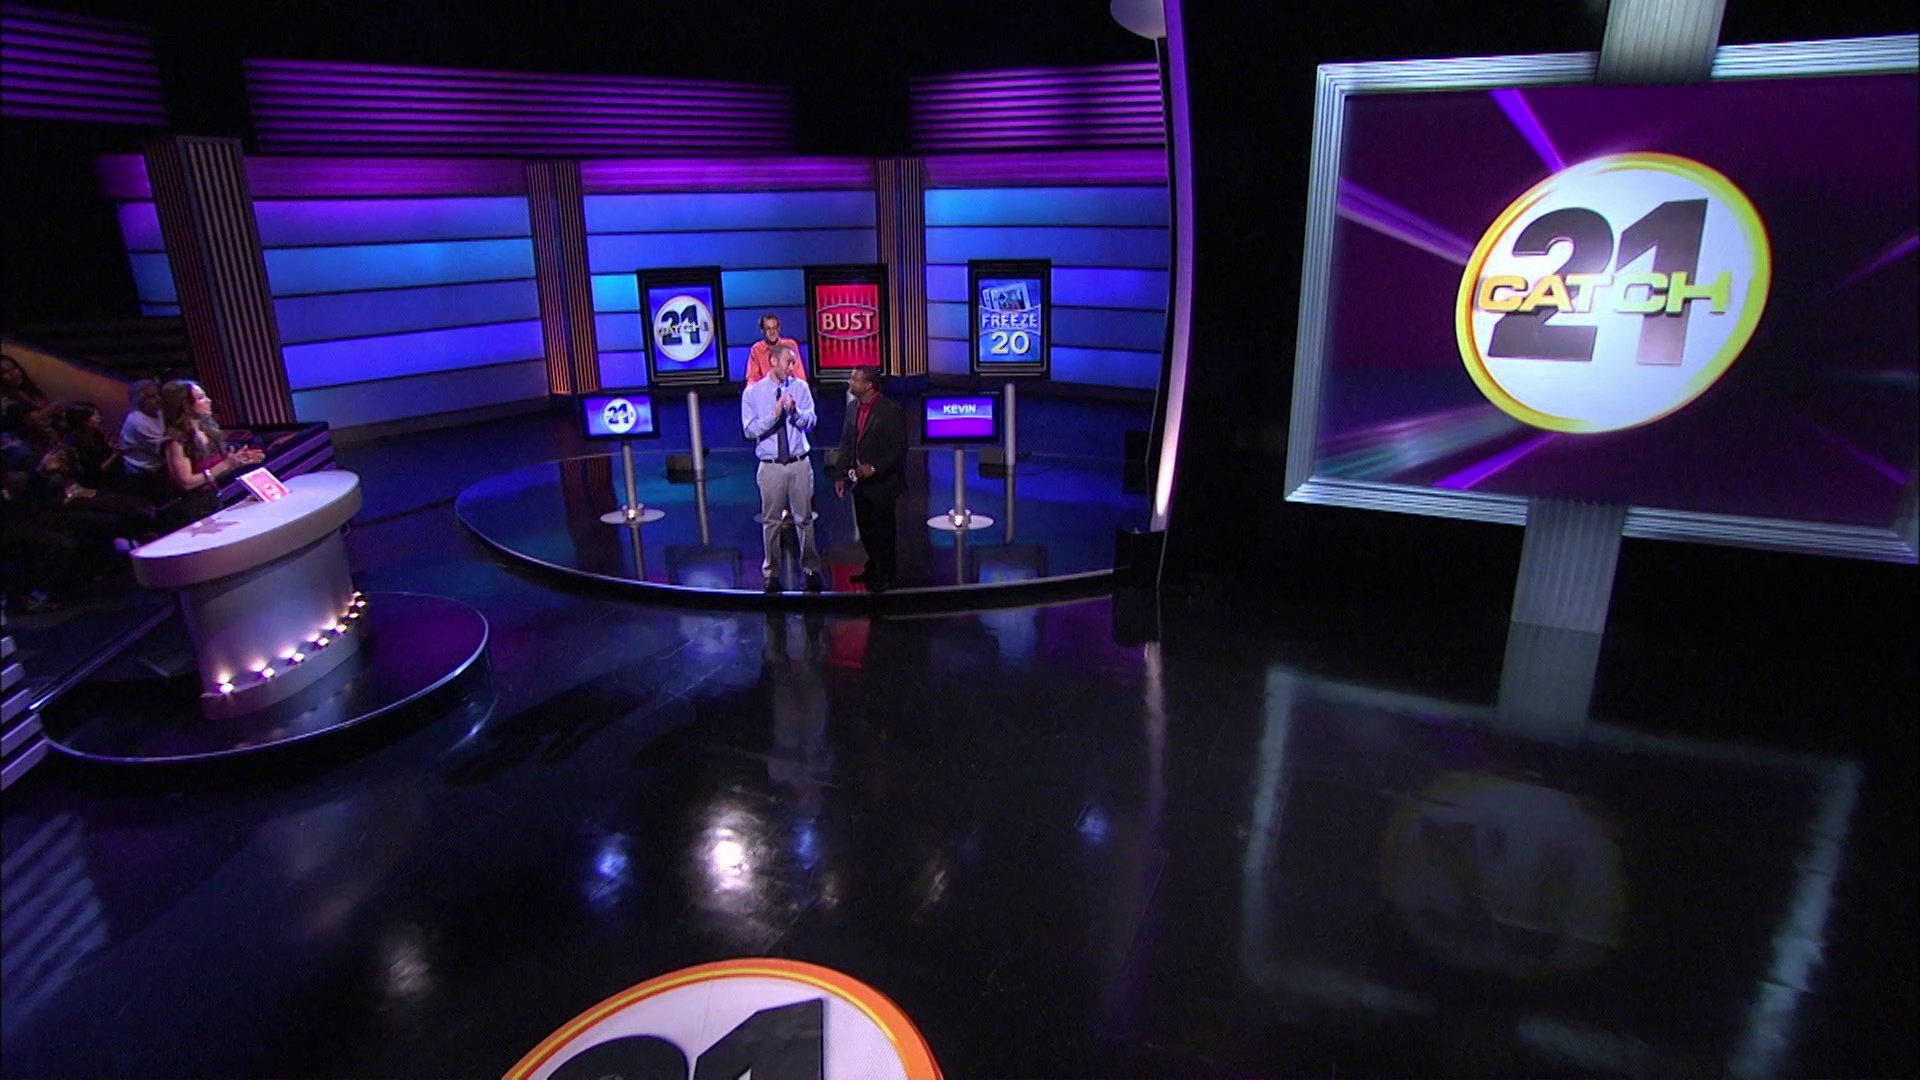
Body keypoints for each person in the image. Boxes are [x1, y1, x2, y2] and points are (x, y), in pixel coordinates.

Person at [741, 345, 824, 594]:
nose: (792, 367)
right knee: (771, 522)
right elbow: (749, 430)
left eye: (793, 363)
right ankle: (771, 574)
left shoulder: (800, 388)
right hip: (771, 467)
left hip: (799, 463)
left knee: (804, 519)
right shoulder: (753, 393)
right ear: (773, 361)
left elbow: (812, 421)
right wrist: (774, 415)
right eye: (788, 362)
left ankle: (811, 570)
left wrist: (795, 414)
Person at [834, 365, 906, 593]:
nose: (850, 382)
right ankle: (873, 567)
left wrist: (874, 468)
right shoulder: (852, 408)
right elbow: (846, 444)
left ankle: (888, 575)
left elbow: (900, 448)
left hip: (883, 483)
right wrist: (840, 475)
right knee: (866, 530)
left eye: (855, 379)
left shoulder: (889, 410)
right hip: (859, 484)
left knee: (884, 532)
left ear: (868, 385)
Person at [159, 380, 263, 527]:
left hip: (215, 501)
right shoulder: (175, 441)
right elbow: (187, 483)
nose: (209, 401)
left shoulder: (208, 431)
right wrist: (225, 464)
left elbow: (216, 472)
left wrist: (236, 461)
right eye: (201, 398)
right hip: (194, 513)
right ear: (185, 405)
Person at [118, 379, 168, 496]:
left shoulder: (159, 412)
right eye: (151, 397)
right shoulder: (137, 421)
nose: (158, 399)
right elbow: (163, 448)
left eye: (158, 395)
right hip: (145, 475)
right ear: (139, 401)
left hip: (158, 468)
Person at [743, 314, 807, 385]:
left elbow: (799, 373)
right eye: (768, 329)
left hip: (789, 389)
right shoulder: (756, 349)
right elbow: (752, 379)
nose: (772, 332)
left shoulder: (790, 345)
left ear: (779, 329)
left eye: (775, 328)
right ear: (762, 330)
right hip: (766, 390)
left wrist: (801, 389)